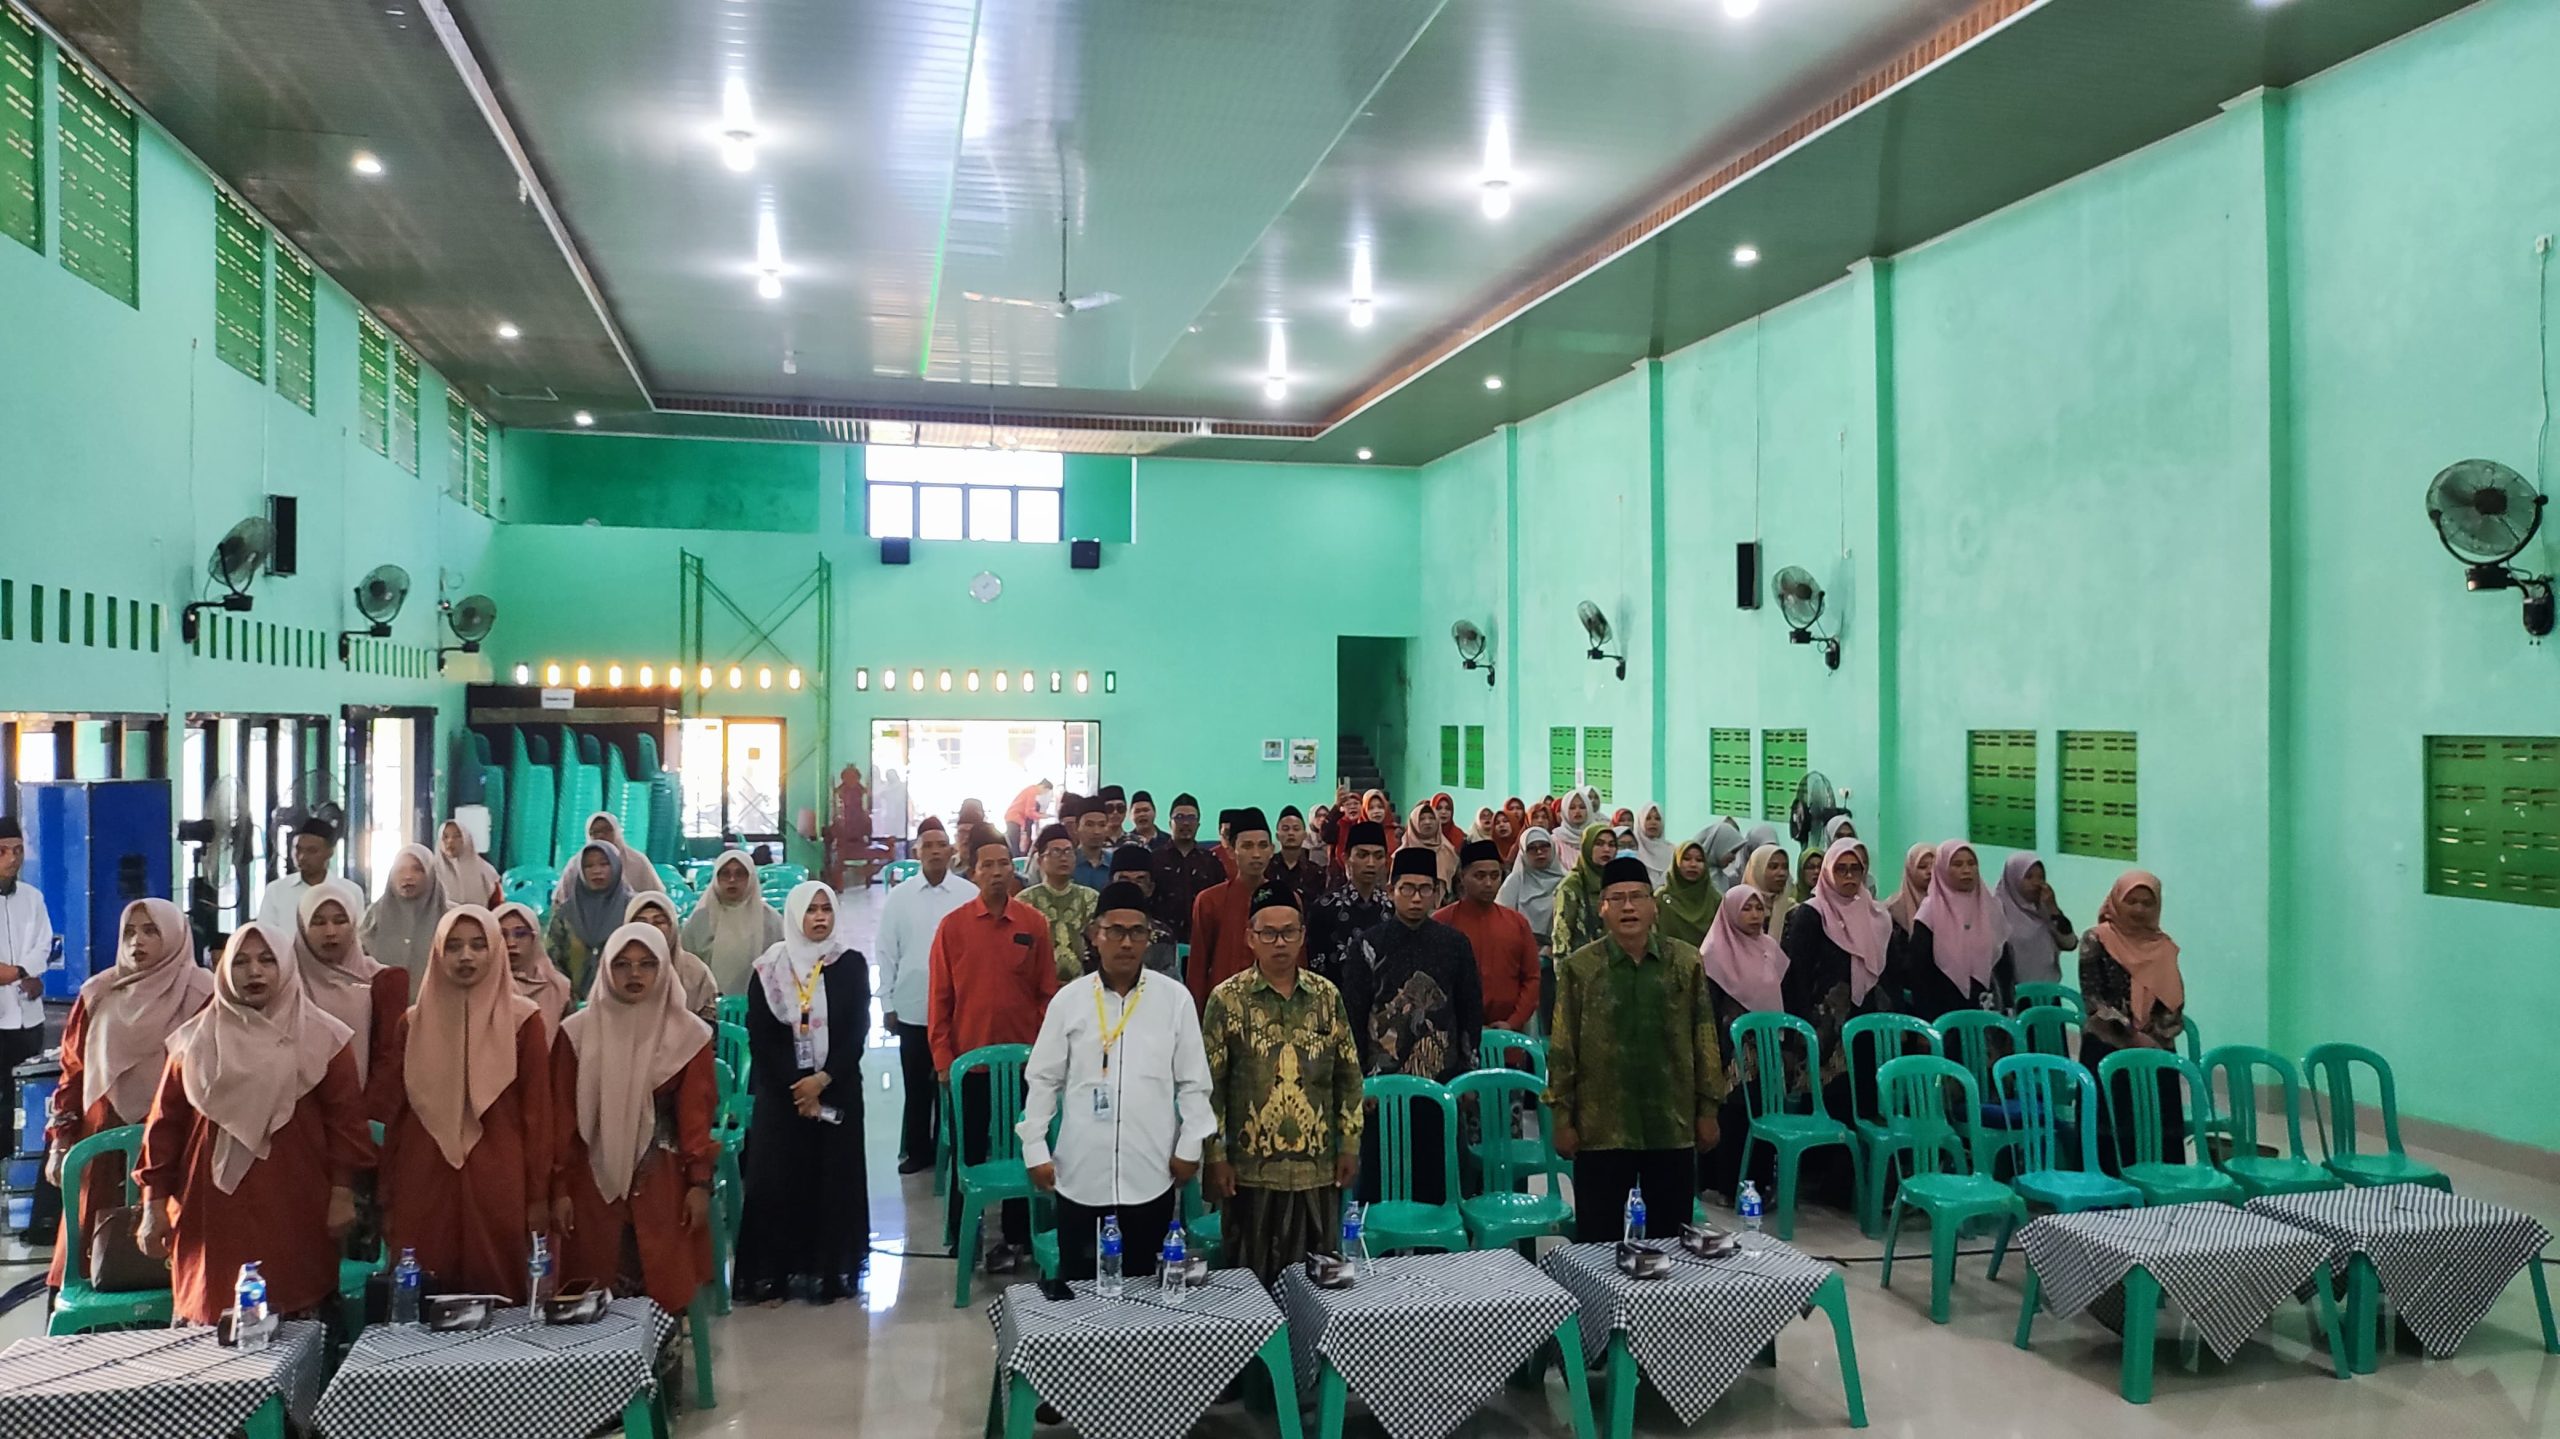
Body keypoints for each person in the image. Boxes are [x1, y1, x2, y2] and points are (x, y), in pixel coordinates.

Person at [137, 923, 370, 1325]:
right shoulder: (193, 1041)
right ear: (225, 971)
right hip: (208, 1204)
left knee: (293, 1298)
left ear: (286, 966)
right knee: (211, 1310)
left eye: (267, 960)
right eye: (240, 962)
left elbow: (345, 1123)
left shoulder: (324, 1038)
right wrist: (152, 1205)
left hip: (295, 1195)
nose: (254, 972)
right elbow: (164, 1126)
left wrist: (342, 1191)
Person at [1021, 880, 1216, 1281]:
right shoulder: (1069, 1001)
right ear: (1096, 935)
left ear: (1149, 938)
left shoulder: (1174, 999)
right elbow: (1043, 1079)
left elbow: (1194, 1083)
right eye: (1115, 931)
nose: (1126, 943)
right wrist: (1035, 1147)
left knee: (1145, 1287)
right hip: (1079, 1171)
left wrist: (1191, 1145)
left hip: (1151, 1171)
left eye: (1137, 932)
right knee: (1080, 1287)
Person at [1546, 855, 1726, 1243]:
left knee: (1671, 1239)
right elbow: (1563, 1047)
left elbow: (1705, 1038)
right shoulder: (1581, 968)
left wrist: (1708, 1109)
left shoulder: (1685, 962)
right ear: (1602, 909)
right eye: (1618, 898)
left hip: (1671, 1123)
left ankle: (1666, 1306)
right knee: (1598, 1238)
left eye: (1638, 897)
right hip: (1601, 1127)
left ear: (1653, 905)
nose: (1629, 907)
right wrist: (1562, 1119)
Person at [381, 908, 552, 1301]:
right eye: (454, 946)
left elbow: (538, 1115)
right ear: (437, 953)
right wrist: (388, 1196)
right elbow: (397, 1114)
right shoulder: (412, 1023)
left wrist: (539, 1195)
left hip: (499, 1172)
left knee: (497, 1288)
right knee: (422, 1288)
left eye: (478, 945)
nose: (466, 957)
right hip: (423, 1172)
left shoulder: (524, 1022)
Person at [46, 898, 212, 1293]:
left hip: (178, 1140)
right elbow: (73, 1072)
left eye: (152, 931)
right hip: (103, 1140)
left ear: (174, 936)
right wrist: (59, 1144)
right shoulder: (98, 994)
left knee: (176, 1256)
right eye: (131, 932)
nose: (139, 941)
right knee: (91, 1251)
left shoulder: (203, 993)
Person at [551, 923, 717, 1315]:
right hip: (591, 1181)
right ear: (607, 969)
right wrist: (558, 1188)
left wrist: (698, 1184)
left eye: (647, 965)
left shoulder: (688, 1036)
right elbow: (562, 1118)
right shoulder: (575, 1034)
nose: (635, 975)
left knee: (661, 1287)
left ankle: (662, 1370)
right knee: (593, 1291)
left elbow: (696, 1116)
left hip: (663, 1179)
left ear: (664, 970)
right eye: (623, 965)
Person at [1201, 881, 1362, 1283]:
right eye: (1268, 933)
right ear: (1250, 938)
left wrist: (1351, 1145)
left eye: (1289, 932)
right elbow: (1211, 1085)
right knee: (1249, 1286)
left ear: (1303, 936)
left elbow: (1349, 1075)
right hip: (1250, 1172)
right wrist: (1215, 1155)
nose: (1280, 943)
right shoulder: (1227, 1000)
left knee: (1320, 1284)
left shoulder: (1327, 996)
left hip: (1318, 1168)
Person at [929, 836, 1061, 1272]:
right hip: (971, 1065)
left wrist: (1045, 1054)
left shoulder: (1033, 923)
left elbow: (1047, 993)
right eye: (988, 865)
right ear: (973, 872)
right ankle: (959, 1231)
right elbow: (940, 999)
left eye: (1005, 863)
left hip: (1025, 1065)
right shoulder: (953, 927)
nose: (998, 872)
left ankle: (1020, 1235)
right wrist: (944, 1061)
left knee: (1025, 1147)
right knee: (970, 1151)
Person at [738, 883, 873, 1302]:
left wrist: (824, 1079)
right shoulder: (769, 968)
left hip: (838, 1089)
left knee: (834, 1179)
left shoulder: (849, 965)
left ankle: (830, 1270)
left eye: (825, 909)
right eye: (810, 910)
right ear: (794, 916)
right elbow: (761, 1036)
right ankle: (776, 1271)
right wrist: (797, 1088)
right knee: (778, 1179)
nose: (819, 918)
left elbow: (857, 1030)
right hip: (784, 1097)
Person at [1343, 850, 1483, 1208]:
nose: (1416, 897)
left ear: (1438, 892)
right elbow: (1354, 1016)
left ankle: (1436, 1260)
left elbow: (1469, 1012)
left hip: (1442, 1081)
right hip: (1381, 1086)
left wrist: (1468, 1077)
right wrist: (1361, 1083)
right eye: (1407, 888)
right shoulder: (1368, 945)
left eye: (1425, 889)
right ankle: (1381, 1259)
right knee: (1379, 1185)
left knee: (1439, 1183)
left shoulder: (1455, 944)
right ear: (1391, 891)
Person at [876, 819, 971, 1174]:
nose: (934, 851)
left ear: (951, 852)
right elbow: (886, 952)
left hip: (960, 1007)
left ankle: (960, 1150)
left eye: (941, 844)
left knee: (958, 1083)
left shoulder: (967, 895)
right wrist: (887, 1003)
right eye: (927, 845)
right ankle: (919, 1151)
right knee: (917, 1086)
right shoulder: (899, 899)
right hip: (913, 1005)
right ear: (916, 852)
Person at [1781, 840, 1894, 1135]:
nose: (1848, 877)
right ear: (1828, 872)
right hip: (1822, 1025)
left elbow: (1887, 972)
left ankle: (1856, 1171)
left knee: (1861, 1097)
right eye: (1841, 869)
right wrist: (1803, 1026)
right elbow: (1797, 975)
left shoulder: (1876, 915)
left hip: (1863, 1017)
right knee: (1828, 1099)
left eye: (1855, 869)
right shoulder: (1811, 914)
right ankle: (1821, 1169)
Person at [2079, 870, 2186, 1170]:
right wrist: (2131, 1035)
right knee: (2112, 1127)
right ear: (2116, 901)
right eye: (2132, 901)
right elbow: (2093, 998)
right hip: (2107, 1045)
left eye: (2147, 903)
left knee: (2158, 1129)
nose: (2139, 910)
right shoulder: (2096, 939)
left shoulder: (2164, 946)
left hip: (2156, 1050)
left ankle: (2159, 1198)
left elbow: (2174, 1001)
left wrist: (2157, 1037)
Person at [1697, 886, 1793, 1198]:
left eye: (1758, 908)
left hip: (1766, 1048)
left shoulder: (1768, 947)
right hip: (1731, 1053)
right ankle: (1727, 1184)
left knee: (1764, 1111)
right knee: (1734, 1116)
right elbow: (1707, 1009)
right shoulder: (1713, 952)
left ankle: (1760, 1182)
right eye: (1746, 909)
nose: (1754, 916)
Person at [293, 878, 409, 1117]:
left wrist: (363, 1117)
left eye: (340, 920)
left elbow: (388, 1059)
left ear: (354, 924)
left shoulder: (380, 981)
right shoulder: (284, 983)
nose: (330, 932)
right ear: (302, 927)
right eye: (318, 922)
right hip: (296, 1115)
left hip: (359, 1116)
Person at [0, 816, 56, 1223]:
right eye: (4, 851)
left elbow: (44, 943)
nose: (12, 859)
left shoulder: (32, 897)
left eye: (17, 850)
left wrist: (24, 973)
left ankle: (21, 1181)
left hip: (27, 1014)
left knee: (24, 1097)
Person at [1898, 840, 2014, 1018]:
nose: (1966, 870)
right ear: (1942, 869)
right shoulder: (1930, 913)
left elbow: (2003, 963)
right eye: (1957, 864)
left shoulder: (1990, 907)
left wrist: (2008, 1005)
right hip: (1944, 1009)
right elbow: (1919, 973)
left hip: (1988, 1005)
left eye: (1971, 863)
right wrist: (1926, 1020)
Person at [1437, 838, 1540, 1032]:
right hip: (1453, 1033)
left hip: (1508, 1033)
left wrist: (1513, 1022)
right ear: (1462, 876)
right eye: (1479, 876)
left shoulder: (1517, 923)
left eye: (1495, 876)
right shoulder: (1442, 922)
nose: (1488, 883)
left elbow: (1531, 978)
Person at [1185, 807, 1276, 1011]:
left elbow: (1297, 964)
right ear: (1230, 851)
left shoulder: (1285, 899)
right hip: (1223, 1009)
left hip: (1274, 1009)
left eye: (1263, 846)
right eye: (1247, 846)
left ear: (1272, 850)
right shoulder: (1209, 901)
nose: (1256, 854)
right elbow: (1198, 969)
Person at [680, 850, 786, 995]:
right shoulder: (699, 920)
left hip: (761, 1004)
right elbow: (686, 968)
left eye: (740, 874)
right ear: (716, 878)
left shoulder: (771, 920)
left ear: (751, 878)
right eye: (725, 874)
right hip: (707, 1006)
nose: (732, 880)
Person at [544, 841, 633, 1001]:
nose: (596, 871)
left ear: (616, 866)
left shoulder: (633, 910)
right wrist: (567, 996)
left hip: (623, 1002)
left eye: (604, 864)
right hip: (571, 1005)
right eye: (588, 866)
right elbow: (551, 961)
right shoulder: (566, 914)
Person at [1306, 821, 1392, 980]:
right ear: (1346, 858)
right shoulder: (1324, 908)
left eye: (1378, 856)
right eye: (1362, 855)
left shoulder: (1392, 909)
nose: (1371, 863)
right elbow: (1315, 969)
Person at [626, 893, 724, 1025]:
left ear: (672, 926)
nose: (651, 928)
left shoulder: (695, 971)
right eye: (641, 922)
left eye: (659, 922)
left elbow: (709, 1029)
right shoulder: (618, 968)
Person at [359, 843, 448, 983]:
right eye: (400, 870)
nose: (408, 876)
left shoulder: (449, 916)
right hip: (383, 1001)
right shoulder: (375, 914)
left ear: (431, 873)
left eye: (417, 869)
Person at [1022, 823, 1099, 984]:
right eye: (1056, 852)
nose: (1063, 858)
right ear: (1041, 859)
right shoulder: (1025, 900)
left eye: (1068, 852)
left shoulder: (1090, 898)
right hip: (1037, 983)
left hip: (1083, 983)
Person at [1090, 845, 1180, 977]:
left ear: (1150, 888)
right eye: (1124, 879)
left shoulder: (1162, 935)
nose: (1131, 886)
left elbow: (1168, 983)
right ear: (1110, 883)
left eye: (1140, 880)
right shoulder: (1096, 930)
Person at [1995, 852, 2079, 988]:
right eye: (2028, 877)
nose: (2036, 883)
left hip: (2048, 992)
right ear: (2013, 878)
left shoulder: (2044, 910)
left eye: (2041, 877)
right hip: (2014, 995)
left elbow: (2070, 943)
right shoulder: (1997, 911)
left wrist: (2054, 910)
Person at [1150, 794, 1223, 946]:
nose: (1185, 823)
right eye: (1179, 817)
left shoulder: (1211, 861)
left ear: (1198, 824)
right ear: (1170, 823)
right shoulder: (1154, 859)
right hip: (1161, 941)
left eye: (1191, 818)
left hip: (1203, 939)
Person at [495, 900, 571, 1038]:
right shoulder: (483, 989)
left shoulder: (559, 988)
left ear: (534, 938)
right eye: (502, 935)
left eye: (520, 934)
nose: (511, 943)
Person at [254, 817, 341, 932]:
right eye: (298, 849)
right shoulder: (276, 891)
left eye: (312, 851)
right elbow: (265, 935)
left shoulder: (349, 891)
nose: (302, 857)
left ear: (330, 852)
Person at [551, 813, 663, 900]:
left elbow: (656, 897)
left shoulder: (637, 861)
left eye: (606, 830)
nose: (601, 835)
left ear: (617, 832)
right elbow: (560, 899)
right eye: (594, 832)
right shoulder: (576, 865)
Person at [1549, 823, 1618, 961]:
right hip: (1581, 970)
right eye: (1599, 844)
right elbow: (1561, 939)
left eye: (1611, 845)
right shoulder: (1571, 886)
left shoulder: (1617, 882)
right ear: (1587, 847)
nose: (1606, 849)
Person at [1652, 838, 1721, 951]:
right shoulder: (1661, 897)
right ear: (1676, 862)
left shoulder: (1715, 900)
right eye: (1686, 858)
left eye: (1699, 860)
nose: (1693, 864)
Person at [433, 819, 501, 909]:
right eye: (445, 837)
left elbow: (497, 905)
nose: (450, 841)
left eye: (457, 836)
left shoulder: (486, 871)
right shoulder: (432, 872)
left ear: (466, 838)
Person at [1741, 843, 1796, 945]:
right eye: (1773, 867)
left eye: (1785, 867)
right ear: (1757, 870)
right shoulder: (1738, 908)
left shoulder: (1793, 911)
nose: (1782, 873)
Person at [1269, 805, 1326, 897]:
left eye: (1296, 829)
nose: (1291, 833)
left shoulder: (1316, 872)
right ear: (1277, 836)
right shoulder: (1267, 868)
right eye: (1285, 829)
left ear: (1304, 835)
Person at [1402, 802, 1459, 893]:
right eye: (1422, 819)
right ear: (1414, 822)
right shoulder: (1402, 854)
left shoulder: (1448, 851)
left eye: (1432, 818)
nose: (1427, 822)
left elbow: (1457, 884)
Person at [1884, 842, 1935, 939]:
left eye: (1934, 866)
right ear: (1910, 870)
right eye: (1922, 867)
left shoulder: (1946, 904)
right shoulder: (1893, 908)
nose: (1930, 872)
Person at [1071, 796, 1117, 893]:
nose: (1096, 831)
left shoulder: (1115, 863)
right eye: (1089, 824)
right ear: (1076, 827)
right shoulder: (1067, 862)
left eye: (1102, 825)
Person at [1629, 805, 1676, 887]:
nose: (1653, 822)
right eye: (1648, 818)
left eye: (1657, 818)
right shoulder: (1632, 851)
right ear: (1640, 822)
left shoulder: (1672, 850)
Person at [1006, 779, 1055, 856]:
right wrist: (1043, 816)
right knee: (1016, 847)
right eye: (1045, 792)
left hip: (1013, 818)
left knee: (1015, 846)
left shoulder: (1030, 789)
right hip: (1015, 819)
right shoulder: (1032, 792)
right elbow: (1029, 812)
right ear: (1043, 787)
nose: (1043, 794)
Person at [1695, 819, 1745, 894]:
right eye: (1732, 852)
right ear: (1719, 847)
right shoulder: (1694, 875)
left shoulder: (1721, 878)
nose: (1734, 858)